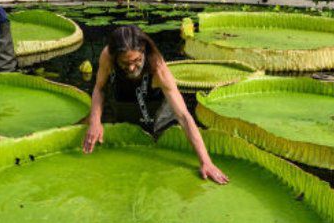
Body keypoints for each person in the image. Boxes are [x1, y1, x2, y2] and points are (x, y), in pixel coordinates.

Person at [83, 25, 229, 184]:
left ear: (143, 50)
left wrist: (205, 162)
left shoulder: (158, 68)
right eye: (125, 62)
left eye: (137, 60)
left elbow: (183, 116)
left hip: (156, 106)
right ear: (115, 56)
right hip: (125, 99)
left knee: (156, 135)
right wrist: (95, 121)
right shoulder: (107, 55)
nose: (131, 67)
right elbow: (99, 88)